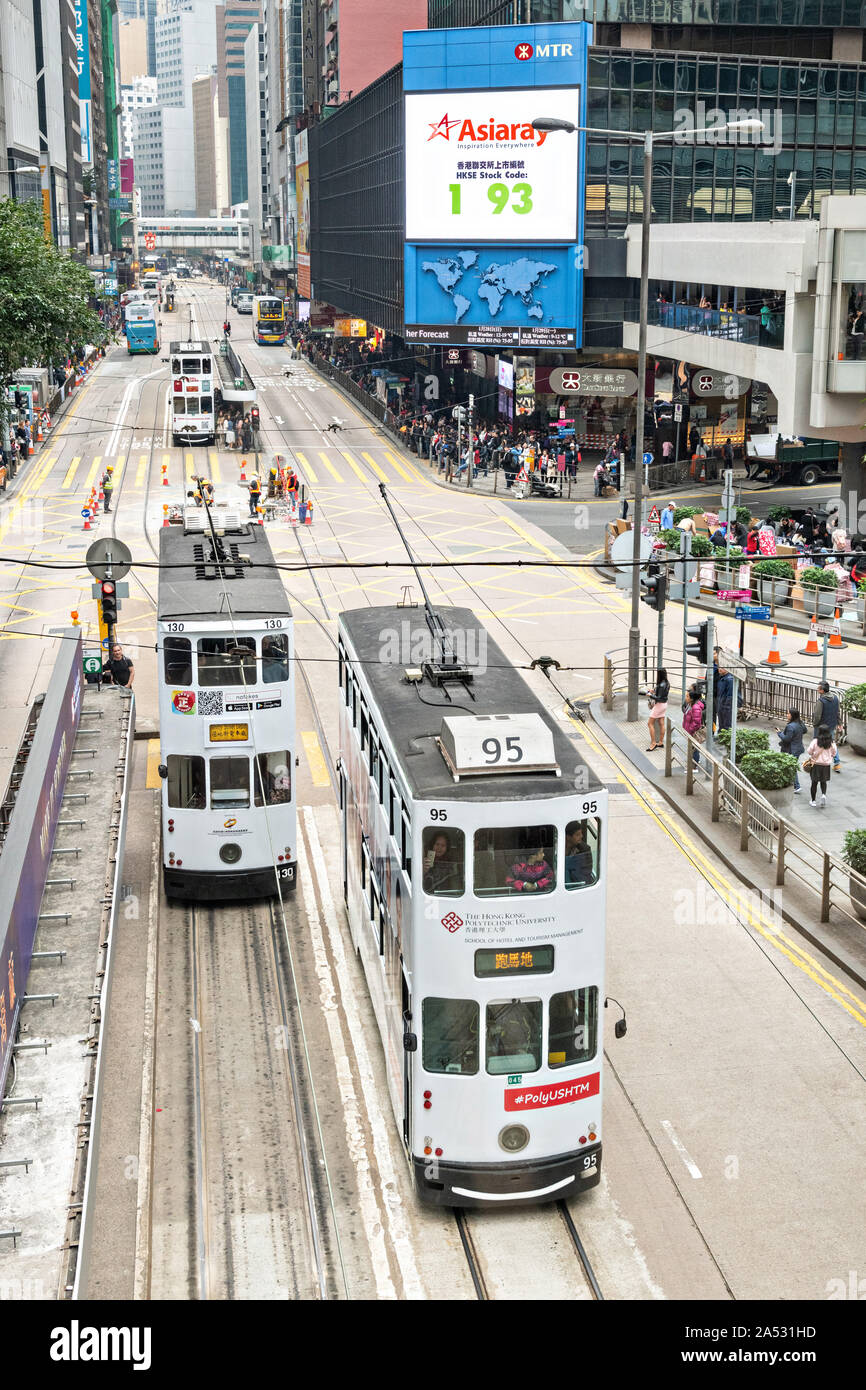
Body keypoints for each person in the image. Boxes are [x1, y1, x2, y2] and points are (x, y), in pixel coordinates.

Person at [812, 680, 842, 771]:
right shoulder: (836, 698)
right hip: (831, 725)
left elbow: (817, 715)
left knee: (816, 743)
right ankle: (837, 763)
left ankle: (814, 761)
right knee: (831, 743)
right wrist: (839, 723)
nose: (817, 689)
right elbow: (837, 712)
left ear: (822, 691)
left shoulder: (821, 701)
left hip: (821, 726)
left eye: (818, 688)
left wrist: (814, 724)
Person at [805, 724, 836, 808]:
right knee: (823, 781)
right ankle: (823, 795)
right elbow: (834, 753)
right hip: (826, 765)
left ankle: (813, 801)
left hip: (816, 764)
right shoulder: (831, 742)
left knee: (814, 783)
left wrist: (813, 754)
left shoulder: (815, 741)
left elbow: (809, 751)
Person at [777, 706, 806, 793]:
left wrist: (779, 733)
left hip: (791, 750)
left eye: (788, 713)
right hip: (798, 748)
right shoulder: (800, 723)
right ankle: (789, 781)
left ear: (792, 715)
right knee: (790, 765)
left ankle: (796, 786)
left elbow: (786, 739)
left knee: (791, 767)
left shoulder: (790, 726)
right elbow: (804, 730)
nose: (787, 715)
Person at [564, 822, 595, 887]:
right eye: (577, 835)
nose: (581, 836)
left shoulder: (585, 850)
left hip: (578, 884)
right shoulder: (557, 848)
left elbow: (586, 873)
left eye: (581, 833)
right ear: (568, 837)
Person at [646, 666, 670, 751]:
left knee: (650, 723)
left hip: (659, 705)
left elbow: (658, 698)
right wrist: (654, 691)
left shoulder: (661, 685)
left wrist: (650, 695)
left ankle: (653, 743)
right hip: (664, 705)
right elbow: (662, 694)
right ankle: (660, 742)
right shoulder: (667, 683)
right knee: (661, 722)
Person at [682, 686, 705, 765]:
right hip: (689, 730)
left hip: (692, 732)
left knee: (693, 748)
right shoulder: (690, 705)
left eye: (687, 696)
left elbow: (696, 722)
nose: (686, 697)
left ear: (692, 698)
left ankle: (693, 766)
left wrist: (690, 730)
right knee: (693, 748)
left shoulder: (695, 707)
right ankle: (695, 761)